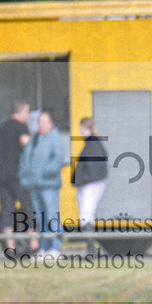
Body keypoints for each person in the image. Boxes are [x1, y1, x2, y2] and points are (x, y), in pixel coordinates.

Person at [19, 111, 67, 258]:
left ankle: (55, 248)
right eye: (39, 122)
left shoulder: (55, 139)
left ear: (51, 123)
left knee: (52, 216)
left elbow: (58, 161)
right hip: (35, 186)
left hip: (49, 186)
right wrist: (25, 176)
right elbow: (25, 159)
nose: (42, 124)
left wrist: (43, 172)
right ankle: (44, 249)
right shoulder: (34, 140)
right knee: (40, 218)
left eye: (45, 121)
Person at [0, 101, 34, 254]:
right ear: (21, 112)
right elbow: (25, 142)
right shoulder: (21, 127)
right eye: (27, 113)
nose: (28, 116)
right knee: (28, 206)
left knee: (7, 210)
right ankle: (34, 243)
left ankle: (10, 246)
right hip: (18, 175)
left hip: (2, 175)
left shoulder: (1, 128)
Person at [71, 117, 108, 253]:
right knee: (87, 215)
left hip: (90, 184)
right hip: (91, 183)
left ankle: (91, 249)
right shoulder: (94, 142)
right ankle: (90, 248)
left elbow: (93, 167)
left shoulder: (91, 144)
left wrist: (81, 179)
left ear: (83, 127)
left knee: (86, 215)